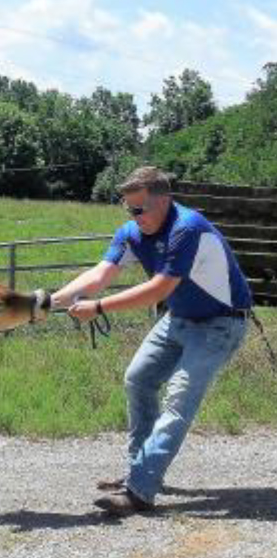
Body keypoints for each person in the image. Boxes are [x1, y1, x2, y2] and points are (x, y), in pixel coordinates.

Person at [51, 166, 252, 517]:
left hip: (220, 323)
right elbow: (101, 274)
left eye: (140, 209)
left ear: (165, 200)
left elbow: (159, 289)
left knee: (178, 402)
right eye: (129, 209)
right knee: (139, 380)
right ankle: (138, 472)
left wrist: (97, 307)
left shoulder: (186, 228)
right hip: (178, 318)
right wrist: (48, 302)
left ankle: (140, 491)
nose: (134, 216)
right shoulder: (131, 232)